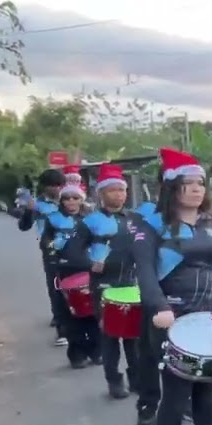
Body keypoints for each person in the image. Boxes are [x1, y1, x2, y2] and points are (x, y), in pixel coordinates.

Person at [133, 148, 212, 425]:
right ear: (171, 187)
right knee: (176, 395)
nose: (196, 189)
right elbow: (145, 273)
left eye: (200, 183)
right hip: (171, 320)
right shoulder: (152, 226)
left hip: (209, 320)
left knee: (206, 390)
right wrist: (159, 306)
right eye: (187, 183)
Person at [64, 164, 139, 400]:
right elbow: (72, 252)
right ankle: (114, 381)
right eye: (113, 190)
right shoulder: (89, 222)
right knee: (110, 337)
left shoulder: (135, 219)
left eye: (122, 190)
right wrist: (90, 263)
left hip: (131, 284)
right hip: (104, 287)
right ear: (101, 193)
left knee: (134, 337)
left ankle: (136, 379)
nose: (119, 194)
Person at [42, 183, 99, 368]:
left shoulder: (90, 219)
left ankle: (96, 351)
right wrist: (54, 253)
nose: (71, 201)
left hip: (89, 270)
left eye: (75, 198)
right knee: (71, 315)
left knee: (93, 312)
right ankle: (77, 354)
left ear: (81, 199)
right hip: (65, 271)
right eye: (67, 198)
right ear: (62, 201)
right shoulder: (53, 219)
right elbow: (46, 243)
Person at [17, 169, 69, 345]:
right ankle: (61, 326)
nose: (57, 189)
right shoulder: (37, 204)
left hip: (73, 246)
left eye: (59, 185)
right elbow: (24, 226)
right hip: (50, 248)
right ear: (45, 187)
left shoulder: (69, 199)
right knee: (56, 285)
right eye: (53, 186)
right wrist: (28, 210)